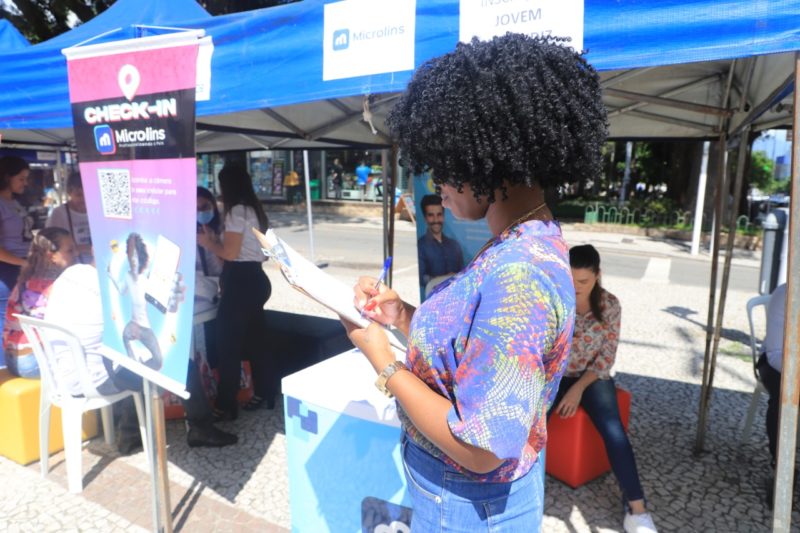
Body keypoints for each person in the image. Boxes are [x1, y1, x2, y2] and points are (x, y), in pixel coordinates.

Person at [344, 34, 606, 531]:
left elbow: (483, 448)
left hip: (466, 506)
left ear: (488, 156)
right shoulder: (521, 239)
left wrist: (382, 362)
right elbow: (476, 349)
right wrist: (400, 315)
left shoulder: (520, 275)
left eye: (445, 164)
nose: (436, 180)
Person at [45, 262, 237, 449]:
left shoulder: (71, 273)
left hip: (60, 378)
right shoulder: (107, 291)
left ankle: (131, 434)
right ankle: (201, 429)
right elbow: (145, 325)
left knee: (134, 362)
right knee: (178, 365)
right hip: (95, 381)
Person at [551, 244, 657, 533]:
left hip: (591, 378)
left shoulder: (610, 305)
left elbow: (606, 358)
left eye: (583, 282)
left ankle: (637, 509)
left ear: (598, 275)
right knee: (530, 420)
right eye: (570, 281)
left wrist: (578, 390)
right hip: (555, 375)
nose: (575, 288)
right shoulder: (556, 300)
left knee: (614, 432)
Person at [198, 162, 274, 420]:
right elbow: (260, 253)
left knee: (227, 345)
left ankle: (225, 404)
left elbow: (229, 253)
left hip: (240, 281)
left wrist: (209, 243)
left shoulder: (236, 212)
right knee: (257, 341)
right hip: (257, 279)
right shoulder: (255, 210)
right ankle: (265, 392)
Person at [3, 227, 76, 377]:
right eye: (70, 251)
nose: (77, 254)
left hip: (12, 360)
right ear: (52, 256)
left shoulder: (24, 281)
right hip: (34, 362)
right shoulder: (58, 284)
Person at [107, 233, 164, 371]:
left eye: (136, 255)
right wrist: (111, 275)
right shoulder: (127, 275)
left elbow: (159, 297)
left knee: (158, 362)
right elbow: (121, 290)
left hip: (146, 328)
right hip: (133, 325)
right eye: (130, 254)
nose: (132, 259)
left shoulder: (147, 277)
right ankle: (135, 368)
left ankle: (142, 368)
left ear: (141, 256)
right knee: (125, 339)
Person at [0, 156, 33, 366]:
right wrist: (23, 263)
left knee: (18, 322)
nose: (25, 183)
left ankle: (17, 365)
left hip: (21, 268)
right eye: (21, 178)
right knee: (4, 322)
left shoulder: (15, 203)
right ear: (6, 178)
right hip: (6, 272)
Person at [756, 282, 787, 505]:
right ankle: (781, 468)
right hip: (778, 362)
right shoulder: (786, 294)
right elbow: (776, 354)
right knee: (784, 398)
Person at [417, 194, 464, 295]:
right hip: (433, 300)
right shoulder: (421, 245)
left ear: (443, 216)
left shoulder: (455, 245)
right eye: (431, 215)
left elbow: (464, 273)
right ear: (425, 218)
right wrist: (445, 279)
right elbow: (421, 277)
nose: (435, 220)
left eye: (439, 214)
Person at [46, 172, 92, 264]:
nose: (83, 199)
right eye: (79, 195)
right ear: (69, 192)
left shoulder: (97, 210)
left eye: (87, 194)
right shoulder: (59, 214)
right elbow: (50, 244)